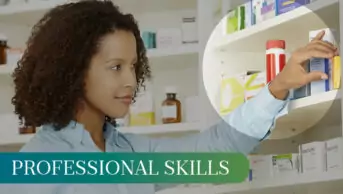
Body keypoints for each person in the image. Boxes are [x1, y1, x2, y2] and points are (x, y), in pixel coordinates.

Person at [5, 0, 338, 193]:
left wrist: (278, 87)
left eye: (134, 66)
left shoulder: (133, 155)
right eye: (116, 67)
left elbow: (214, 151)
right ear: (73, 70)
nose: (131, 81)